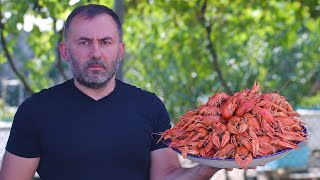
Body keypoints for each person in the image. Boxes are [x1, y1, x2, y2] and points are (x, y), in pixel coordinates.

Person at [0, 4, 227, 180]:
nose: (96, 53)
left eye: (106, 42)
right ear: (65, 51)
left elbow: (167, 177)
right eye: (84, 42)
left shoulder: (149, 107)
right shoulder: (35, 111)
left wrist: (208, 167)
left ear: (120, 50)